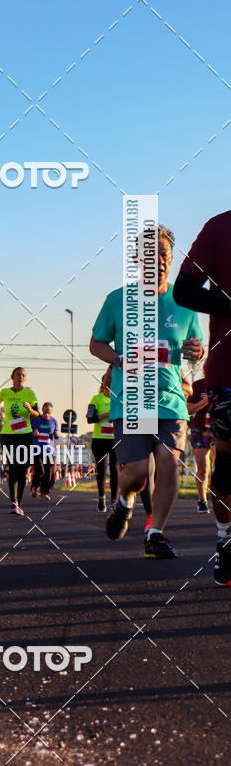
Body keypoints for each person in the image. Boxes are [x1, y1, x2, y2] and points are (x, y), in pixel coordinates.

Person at [90, 224, 204, 559]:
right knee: (137, 474)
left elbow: (196, 348)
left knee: (168, 464)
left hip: (170, 400)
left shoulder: (183, 304)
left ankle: (155, 534)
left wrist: (198, 353)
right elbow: (96, 343)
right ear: (139, 259)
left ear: (171, 259)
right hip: (132, 401)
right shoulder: (118, 300)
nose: (158, 262)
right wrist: (120, 359)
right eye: (150, 256)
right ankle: (124, 502)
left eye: (164, 255)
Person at [173, 210, 231, 584]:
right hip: (229, 369)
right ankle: (226, 543)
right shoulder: (220, 227)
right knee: (227, 461)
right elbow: (184, 289)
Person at [0, 367, 40, 516]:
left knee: (22, 469)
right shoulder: (5, 393)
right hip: (8, 434)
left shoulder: (29, 393)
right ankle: (13, 503)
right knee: (13, 466)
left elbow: (37, 414)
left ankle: (19, 502)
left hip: (25, 434)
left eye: (23, 375)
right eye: (18, 374)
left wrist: (29, 409)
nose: (21, 377)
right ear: (12, 376)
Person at [87, 369, 117, 511]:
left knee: (115, 471)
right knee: (102, 470)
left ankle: (114, 500)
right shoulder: (96, 399)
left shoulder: (119, 398)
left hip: (115, 439)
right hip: (99, 440)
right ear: (103, 383)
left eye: (113, 380)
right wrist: (106, 414)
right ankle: (101, 498)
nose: (110, 383)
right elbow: (90, 418)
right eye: (108, 380)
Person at [185, 375, 212, 513]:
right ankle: (202, 500)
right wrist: (204, 402)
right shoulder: (198, 385)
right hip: (200, 429)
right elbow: (188, 409)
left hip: (219, 428)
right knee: (203, 468)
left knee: (222, 467)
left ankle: (222, 500)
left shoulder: (226, 383)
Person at [30, 402, 60, 500]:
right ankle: (35, 487)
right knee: (40, 471)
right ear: (42, 410)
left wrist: (56, 434)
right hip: (37, 450)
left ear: (51, 412)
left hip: (50, 451)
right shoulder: (35, 420)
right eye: (45, 410)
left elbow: (57, 435)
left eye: (49, 411)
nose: (47, 413)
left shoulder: (54, 421)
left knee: (49, 474)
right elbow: (27, 433)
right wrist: (33, 434)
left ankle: (44, 492)